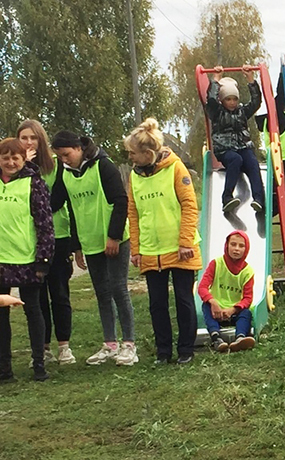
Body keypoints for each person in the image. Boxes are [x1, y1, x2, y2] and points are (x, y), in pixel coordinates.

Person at [51, 130, 137, 366]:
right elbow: (64, 206)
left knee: (119, 288)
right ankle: (110, 344)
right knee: (102, 292)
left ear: (78, 148)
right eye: (59, 156)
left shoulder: (104, 166)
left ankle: (129, 345)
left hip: (114, 240)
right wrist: (76, 246)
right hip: (90, 242)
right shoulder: (65, 173)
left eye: (66, 154)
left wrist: (114, 236)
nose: (64, 160)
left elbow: (121, 201)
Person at [124, 118, 202, 366]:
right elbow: (133, 213)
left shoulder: (176, 168)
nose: (130, 158)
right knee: (157, 304)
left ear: (148, 153)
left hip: (181, 250)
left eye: (133, 154)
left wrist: (185, 241)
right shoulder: (134, 177)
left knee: (183, 300)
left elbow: (190, 206)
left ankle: (186, 350)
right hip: (150, 250)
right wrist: (136, 249)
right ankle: (163, 351)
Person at [17, 120, 77, 365]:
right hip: (28, 242)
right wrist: (26, 167)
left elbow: (57, 202)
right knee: (36, 297)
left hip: (57, 237)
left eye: (33, 138)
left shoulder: (57, 168)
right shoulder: (15, 171)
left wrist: (76, 243)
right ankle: (43, 348)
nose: (28, 142)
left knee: (59, 294)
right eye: (24, 138)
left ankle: (64, 346)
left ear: (41, 140)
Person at [0, 137, 54, 382]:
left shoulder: (34, 184)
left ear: (23, 160)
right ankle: (4, 369)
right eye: (6, 158)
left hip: (27, 259)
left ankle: (39, 364)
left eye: (15, 158)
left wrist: (43, 259)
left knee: (33, 310)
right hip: (1, 259)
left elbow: (44, 224)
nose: (10, 162)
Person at [206, 67, 265, 220]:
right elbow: (211, 99)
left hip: (242, 146)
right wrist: (216, 79)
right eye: (228, 99)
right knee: (235, 160)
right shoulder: (217, 111)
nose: (232, 102)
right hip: (225, 149)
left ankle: (258, 199)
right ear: (222, 100)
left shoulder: (242, 111)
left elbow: (256, 102)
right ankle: (227, 197)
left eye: (234, 99)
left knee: (252, 161)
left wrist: (251, 80)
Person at [198, 230, 256, 353]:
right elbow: (202, 287)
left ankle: (240, 338)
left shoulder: (248, 271)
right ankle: (216, 339)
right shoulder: (216, 264)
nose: (236, 249)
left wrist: (233, 309)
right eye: (233, 244)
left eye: (241, 246)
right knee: (206, 306)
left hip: (234, 311)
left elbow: (248, 298)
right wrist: (213, 303)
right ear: (227, 245)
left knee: (246, 313)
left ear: (246, 249)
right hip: (216, 311)